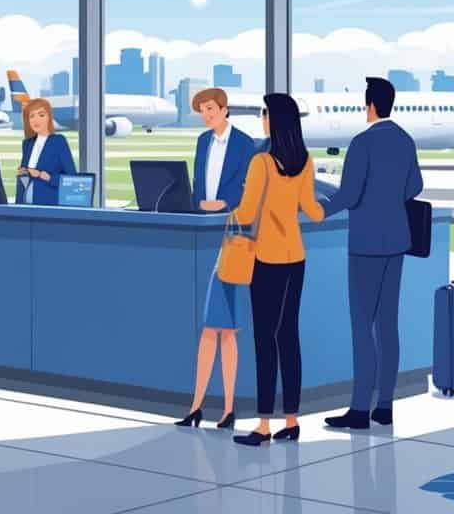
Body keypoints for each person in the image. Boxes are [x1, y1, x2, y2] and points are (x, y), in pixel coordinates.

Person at [322, 77, 423, 431]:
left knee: (362, 327)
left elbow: (349, 194)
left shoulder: (362, 142)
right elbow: (415, 186)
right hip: (396, 240)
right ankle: (385, 406)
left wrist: (319, 210)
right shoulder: (405, 140)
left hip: (366, 244)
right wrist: (388, 199)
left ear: (370, 106)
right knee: (388, 325)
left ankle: (359, 410)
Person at [231, 93, 325, 446]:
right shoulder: (305, 160)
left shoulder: (262, 163)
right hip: (295, 258)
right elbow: (311, 208)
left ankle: (263, 425)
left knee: (264, 341)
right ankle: (292, 421)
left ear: (276, 119)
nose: (262, 118)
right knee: (288, 337)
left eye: (265, 113)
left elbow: (246, 212)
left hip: (266, 259)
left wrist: (226, 211)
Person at [175, 87, 258, 430]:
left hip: (234, 238)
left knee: (224, 330)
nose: (206, 115)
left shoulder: (245, 144)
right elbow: (198, 183)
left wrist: (224, 203)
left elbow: (246, 187)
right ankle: (202, 407)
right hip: (206, 232)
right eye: (201, 110)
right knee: (215, 330)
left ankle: (223, 409)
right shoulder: (202, 142)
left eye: (210, 108)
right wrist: (198, 204)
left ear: (224, 109)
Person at [15, 98, 76, 206]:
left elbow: (71, 178)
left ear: (49, 117)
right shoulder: (27, 144)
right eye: (32, 116)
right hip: (25, 204)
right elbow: (24, 179)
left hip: (49, 205)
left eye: (41, 115)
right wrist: (23, 174)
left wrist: (47, 177)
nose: (36, 120)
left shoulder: (58, 141)